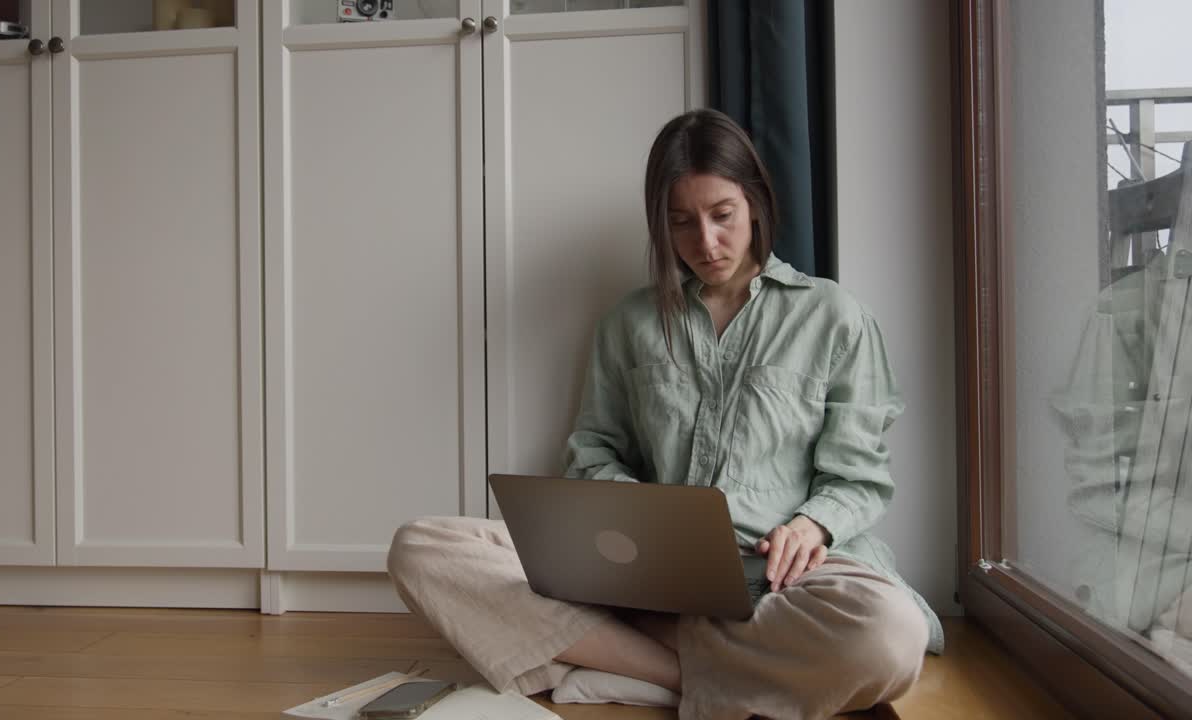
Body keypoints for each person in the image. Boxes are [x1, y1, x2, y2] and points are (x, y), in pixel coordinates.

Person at [387, 109, 944, 720]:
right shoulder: (628, 323)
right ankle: (696, 676)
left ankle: (634, 664)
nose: (705, 243)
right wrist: (640, 522)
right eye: (681, 223)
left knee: (889, 636)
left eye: (722, 216)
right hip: (649, 576)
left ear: (755, 202)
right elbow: (593, 452)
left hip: (787, 583)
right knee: (423, 548)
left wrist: (811, 526)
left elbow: (858, 477)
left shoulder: (835, 315)